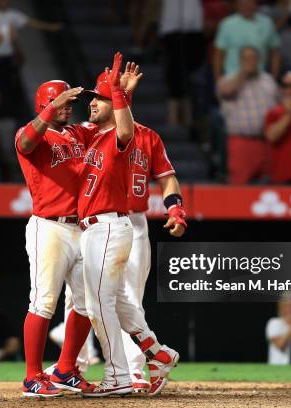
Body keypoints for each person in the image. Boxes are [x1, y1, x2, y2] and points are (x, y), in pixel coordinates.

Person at [76, 54, 180, 396]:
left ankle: (128, 371)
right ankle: (153, 354)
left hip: (127, 221)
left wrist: (175, 208)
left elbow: (166, 177)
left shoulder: (142, 137)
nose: (92, 102)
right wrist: (118, 93)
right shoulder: (91, 135)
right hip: (98, 224)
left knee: (117, 299)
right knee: (114, 299)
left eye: (100, 97)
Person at [14, 78, 96, 396]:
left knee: (86, 303)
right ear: (46, 104)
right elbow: (24, 145)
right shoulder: (32, 131)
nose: (68, 108)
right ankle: (32, 376)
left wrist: (119, 93)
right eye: (62, 102)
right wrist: (53, 105)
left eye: (69, 103)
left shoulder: (76, 133)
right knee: (44, 301)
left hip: (82, 227)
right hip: (50, 226)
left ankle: (64, 369)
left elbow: (104, 127)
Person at [217, 46, 279, 184]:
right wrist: (243, 74)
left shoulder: (268, 81)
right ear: (240, 61)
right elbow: (226, 91)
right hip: (240, 143)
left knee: (268, 188)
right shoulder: (227, 80)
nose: (250, 62)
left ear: (259, 60)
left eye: (253, 58)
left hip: (266, 142)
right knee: (239, 188)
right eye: (246, 58)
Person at [158, 0, 205, 126]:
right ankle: (173, 118)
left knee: (190, 76)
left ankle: (188, 118)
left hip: (193, 32)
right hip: (171, 31)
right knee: (173, 74)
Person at [214, 0, 281, 80]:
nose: (247, 6)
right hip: (232, 78)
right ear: (237, 5)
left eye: (250, 3)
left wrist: (274, 78)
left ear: (256, 4)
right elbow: (218, 55)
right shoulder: (226, 24)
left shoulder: (267, 23)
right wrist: (218, 80)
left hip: (259, 79)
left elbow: (275, 53)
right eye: (243, 3)